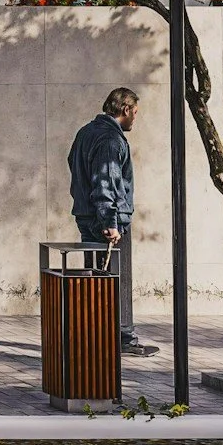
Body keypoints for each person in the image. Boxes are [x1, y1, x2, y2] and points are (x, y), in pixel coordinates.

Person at [69, 87, 158, 357]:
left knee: (96, 279)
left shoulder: (85, 132)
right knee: (116, 279)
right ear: (126, 109)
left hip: (87, 216)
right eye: (135, 113)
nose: (135, 119)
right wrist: (111, 221)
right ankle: (123, 338)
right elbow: (105, 182)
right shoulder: (110, 139)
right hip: (108, 221)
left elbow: (73, 165)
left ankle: (96, 336)